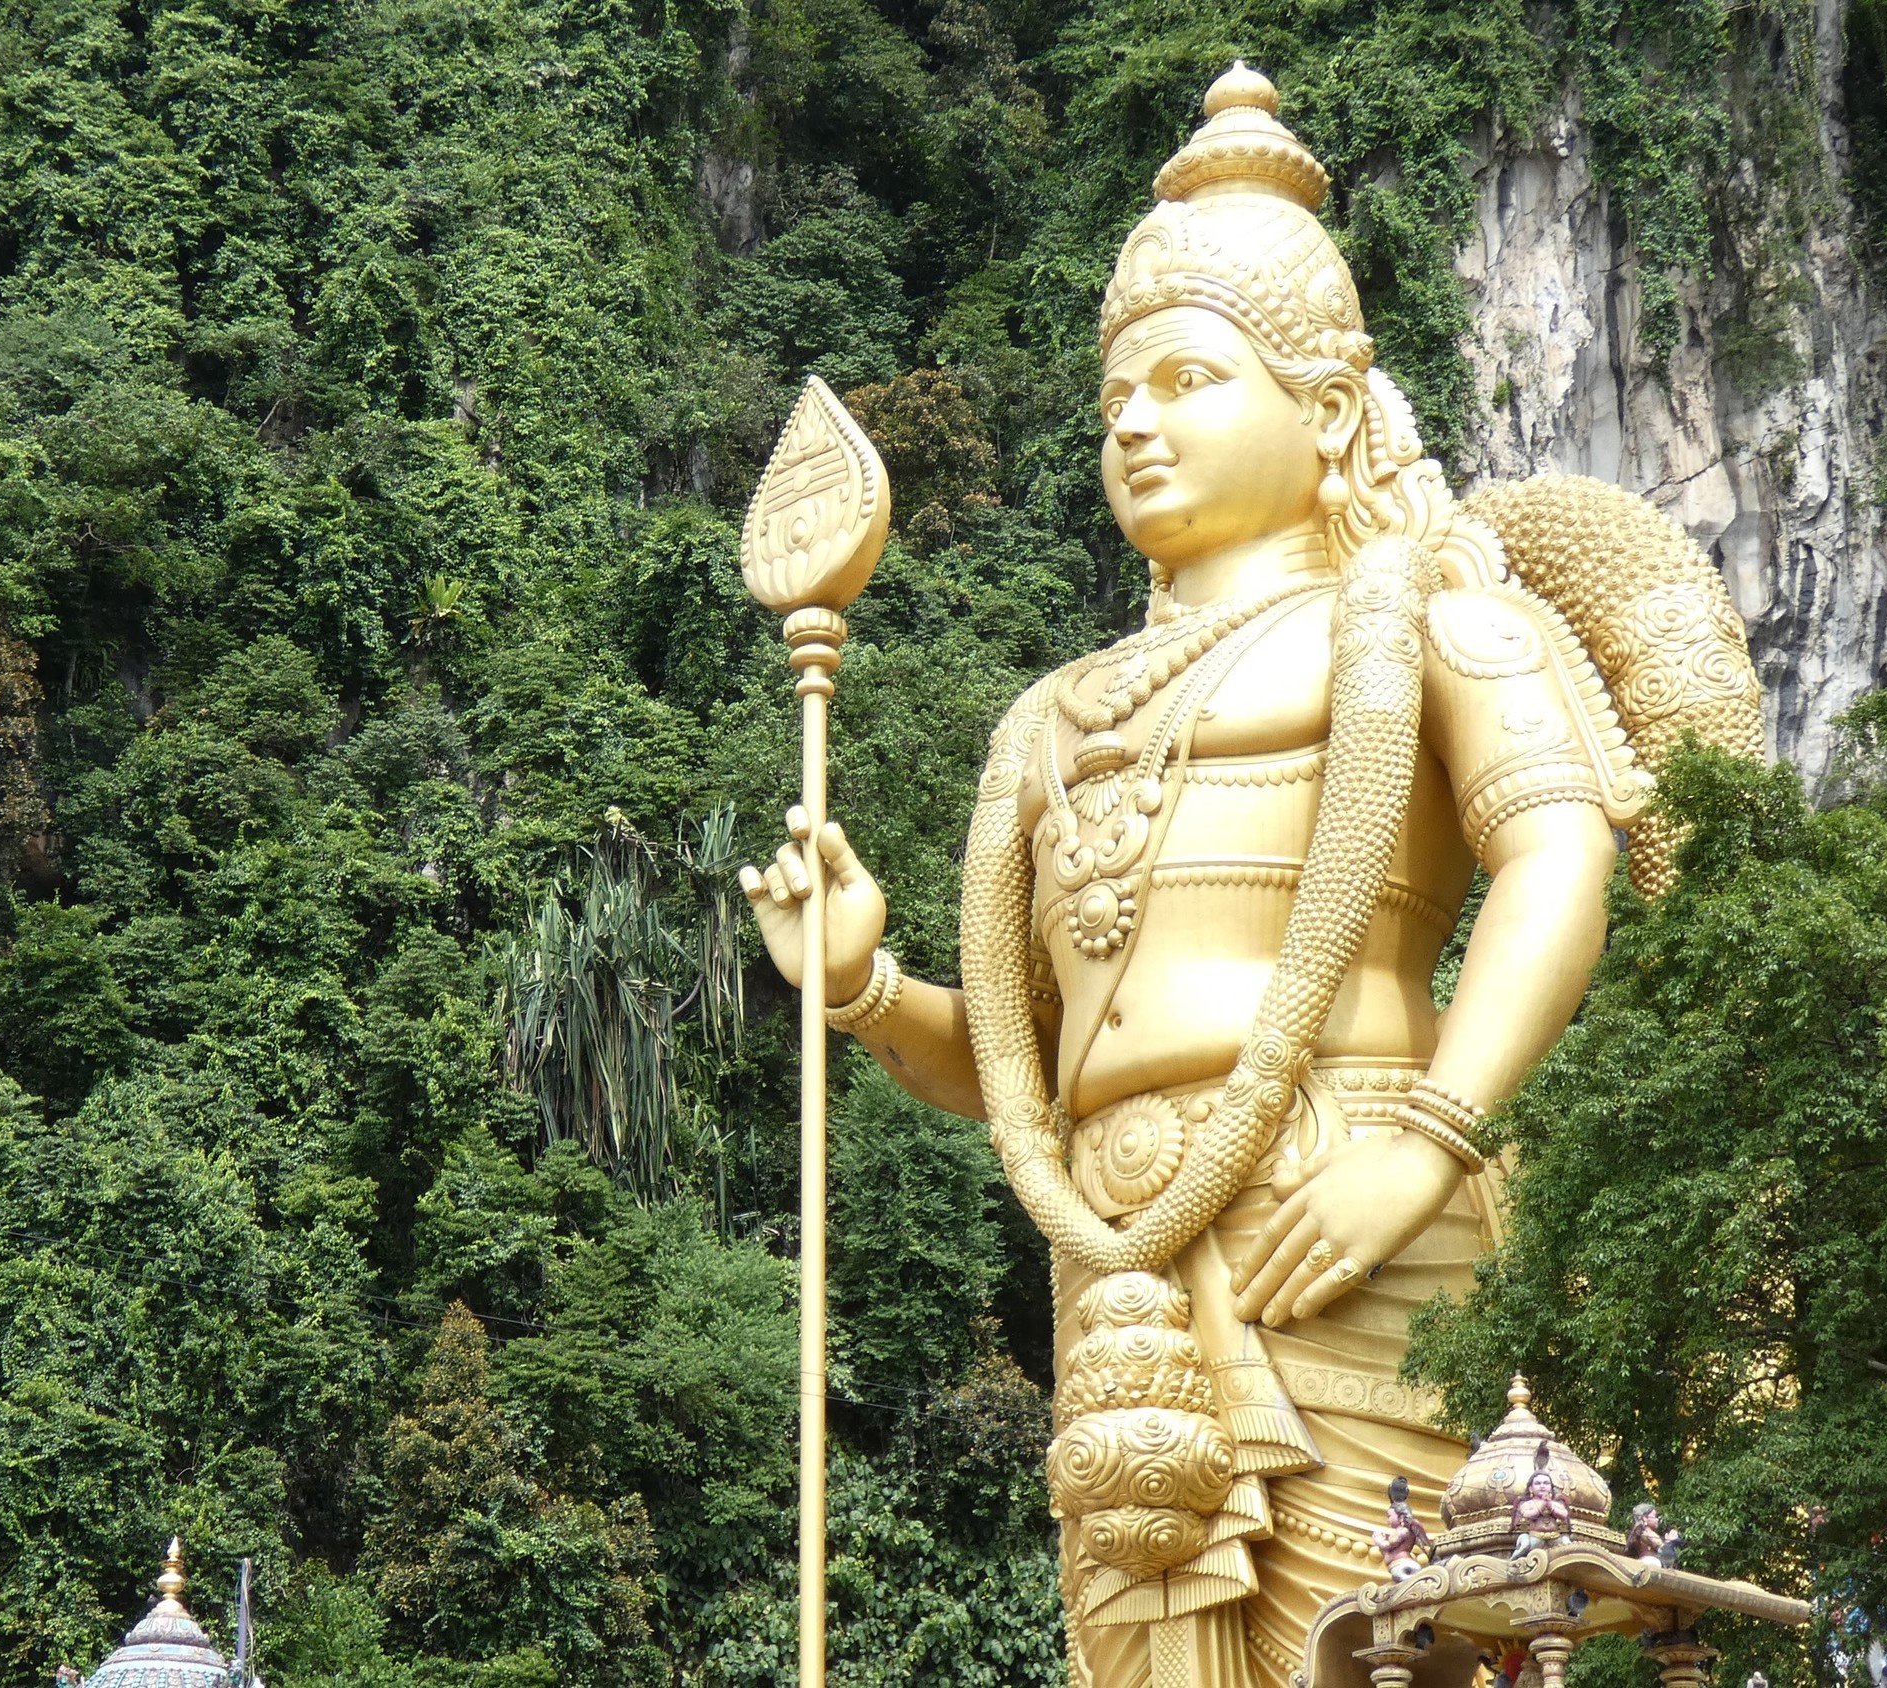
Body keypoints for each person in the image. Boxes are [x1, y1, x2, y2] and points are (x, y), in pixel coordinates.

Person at [740, 59, 1755, 1688]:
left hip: (1354, 1200)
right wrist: (862, 986)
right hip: (1117, 1265)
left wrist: (1427, 1142)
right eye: (1116, 399)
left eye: (1193, 378)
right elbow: (1021, 1064)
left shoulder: (1432, 620)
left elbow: (1557, 860)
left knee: (1393, 1642)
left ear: (1330, 409)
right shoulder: (1050, 715)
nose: (1137, 421)